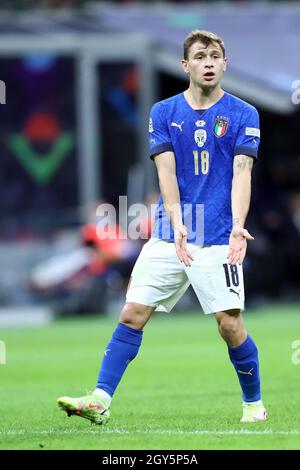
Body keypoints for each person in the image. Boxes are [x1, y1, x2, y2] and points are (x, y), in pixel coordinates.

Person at [57, 30, 267, 424]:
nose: (208, 62)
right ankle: (100, 400)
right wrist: (175, 220)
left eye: (215, 56)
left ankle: (254, 404)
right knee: (132, 313)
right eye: (200, 56)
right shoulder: (164, 112)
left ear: (225, 63)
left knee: (229, 324)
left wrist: (239, 226)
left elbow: (242, 172)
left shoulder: (244, 114)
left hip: (219, 235)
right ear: (185, 65)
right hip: (171, 235)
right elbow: (165, 172)